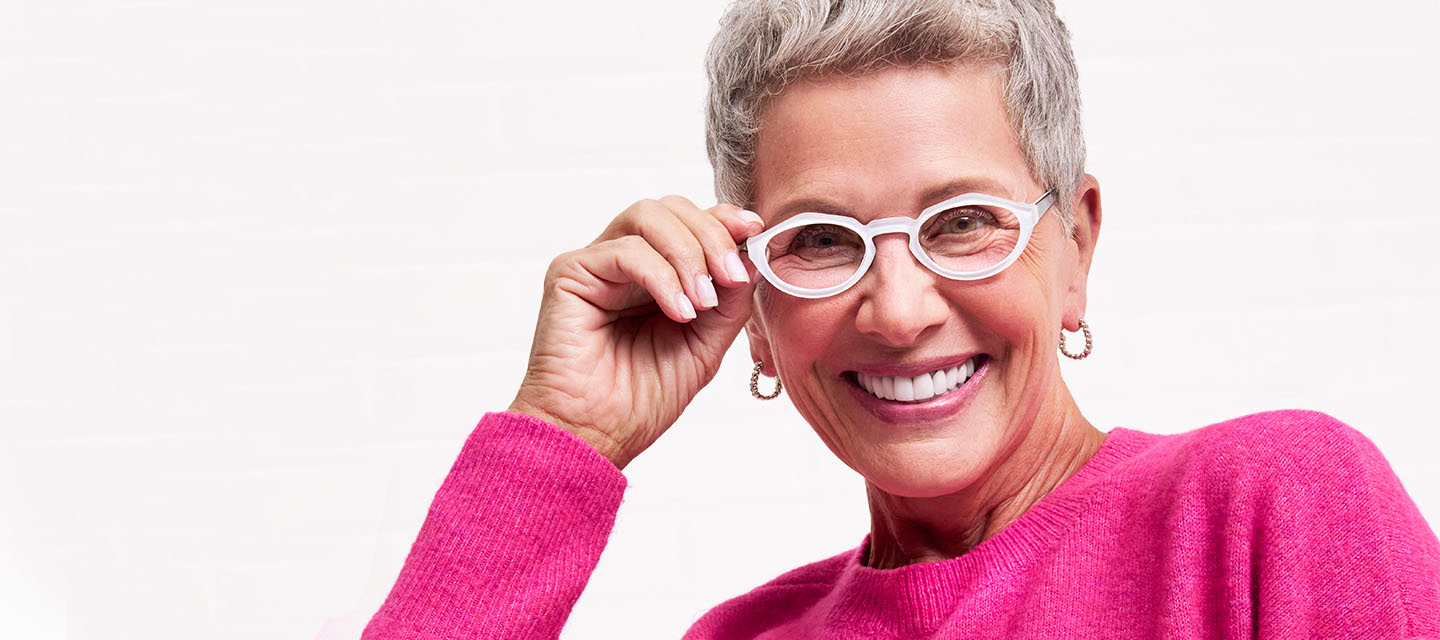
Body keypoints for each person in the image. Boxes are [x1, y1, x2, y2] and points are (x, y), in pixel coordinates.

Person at [360, 0, 1440, 637]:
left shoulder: (1272, 511)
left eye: (964, 223)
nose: (897, 306)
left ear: (1077, 248)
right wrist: (563, 438)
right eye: (821, 240)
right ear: (759, 310)